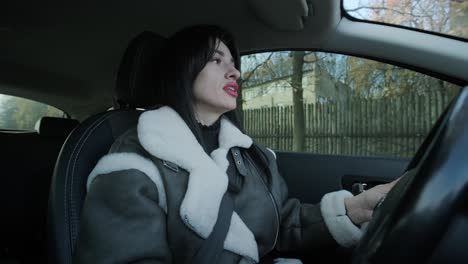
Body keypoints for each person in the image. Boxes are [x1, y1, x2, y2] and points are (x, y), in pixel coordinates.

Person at [73, 25, 398, 264]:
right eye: (217, 61)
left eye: (233, 62)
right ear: (182, 71)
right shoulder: (133, 161)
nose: (236, 73)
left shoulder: (250, 154)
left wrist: (356, 209)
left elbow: (282, 225)